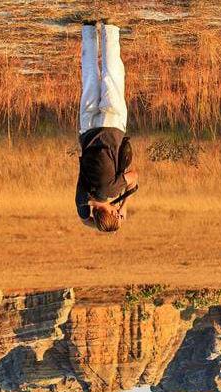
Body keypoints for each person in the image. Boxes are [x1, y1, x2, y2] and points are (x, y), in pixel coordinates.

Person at [76, 20, 138, 233]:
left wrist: (124, 205)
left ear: (112, 213)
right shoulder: (83, 199)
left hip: (111, 128)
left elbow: (134, 177)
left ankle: (110, 30)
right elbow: (84, 221)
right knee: (90, 79)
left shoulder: (112, 189)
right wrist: (98, 222)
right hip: (87, 129)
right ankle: (88, 30)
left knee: (112, 77)